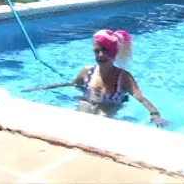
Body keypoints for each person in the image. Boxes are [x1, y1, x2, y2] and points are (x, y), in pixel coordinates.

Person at [22, 29, 170, 128]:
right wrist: (41, 88)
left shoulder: (123, 77)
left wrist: (155, 114)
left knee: (101, 118)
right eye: (97, 51)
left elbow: (141, 98)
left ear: (114, 53)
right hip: (85, 106)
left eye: (105, 51)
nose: (100, 55)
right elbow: (71, 84)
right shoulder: (87, 72)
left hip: (106, 114)